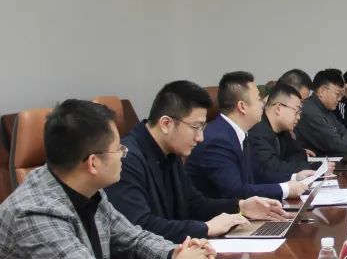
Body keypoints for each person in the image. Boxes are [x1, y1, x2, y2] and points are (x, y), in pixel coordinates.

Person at [0, 100, 218, 259]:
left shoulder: (88, 189)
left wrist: (176, 252)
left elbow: (134, 238)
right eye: (119, 149)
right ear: (93, 163)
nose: (124, 155)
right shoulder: (34, 211)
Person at [107, 81, 291, 243]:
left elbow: (194, 204)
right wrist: (205, 228)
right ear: (166, 124)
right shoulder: (126, 160)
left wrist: (241, 207)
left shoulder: (170, 151)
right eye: (196, 127)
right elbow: (139, 227)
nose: (200, 137)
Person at [186, 71, 314, 200]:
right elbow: (235, 191)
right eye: (258, 99)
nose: (263, 104)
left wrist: (295, 177)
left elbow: (258, 174)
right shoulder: (218, 140)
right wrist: (285, 189)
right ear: (242, 106)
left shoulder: (239, 133)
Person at [249, 83, 331, 179]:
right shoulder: (257, 131)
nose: (298, 117)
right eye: (296, 111)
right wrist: (315, 168)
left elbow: (298, 155)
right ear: (278, 108)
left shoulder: (283, 131)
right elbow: (271, 168)